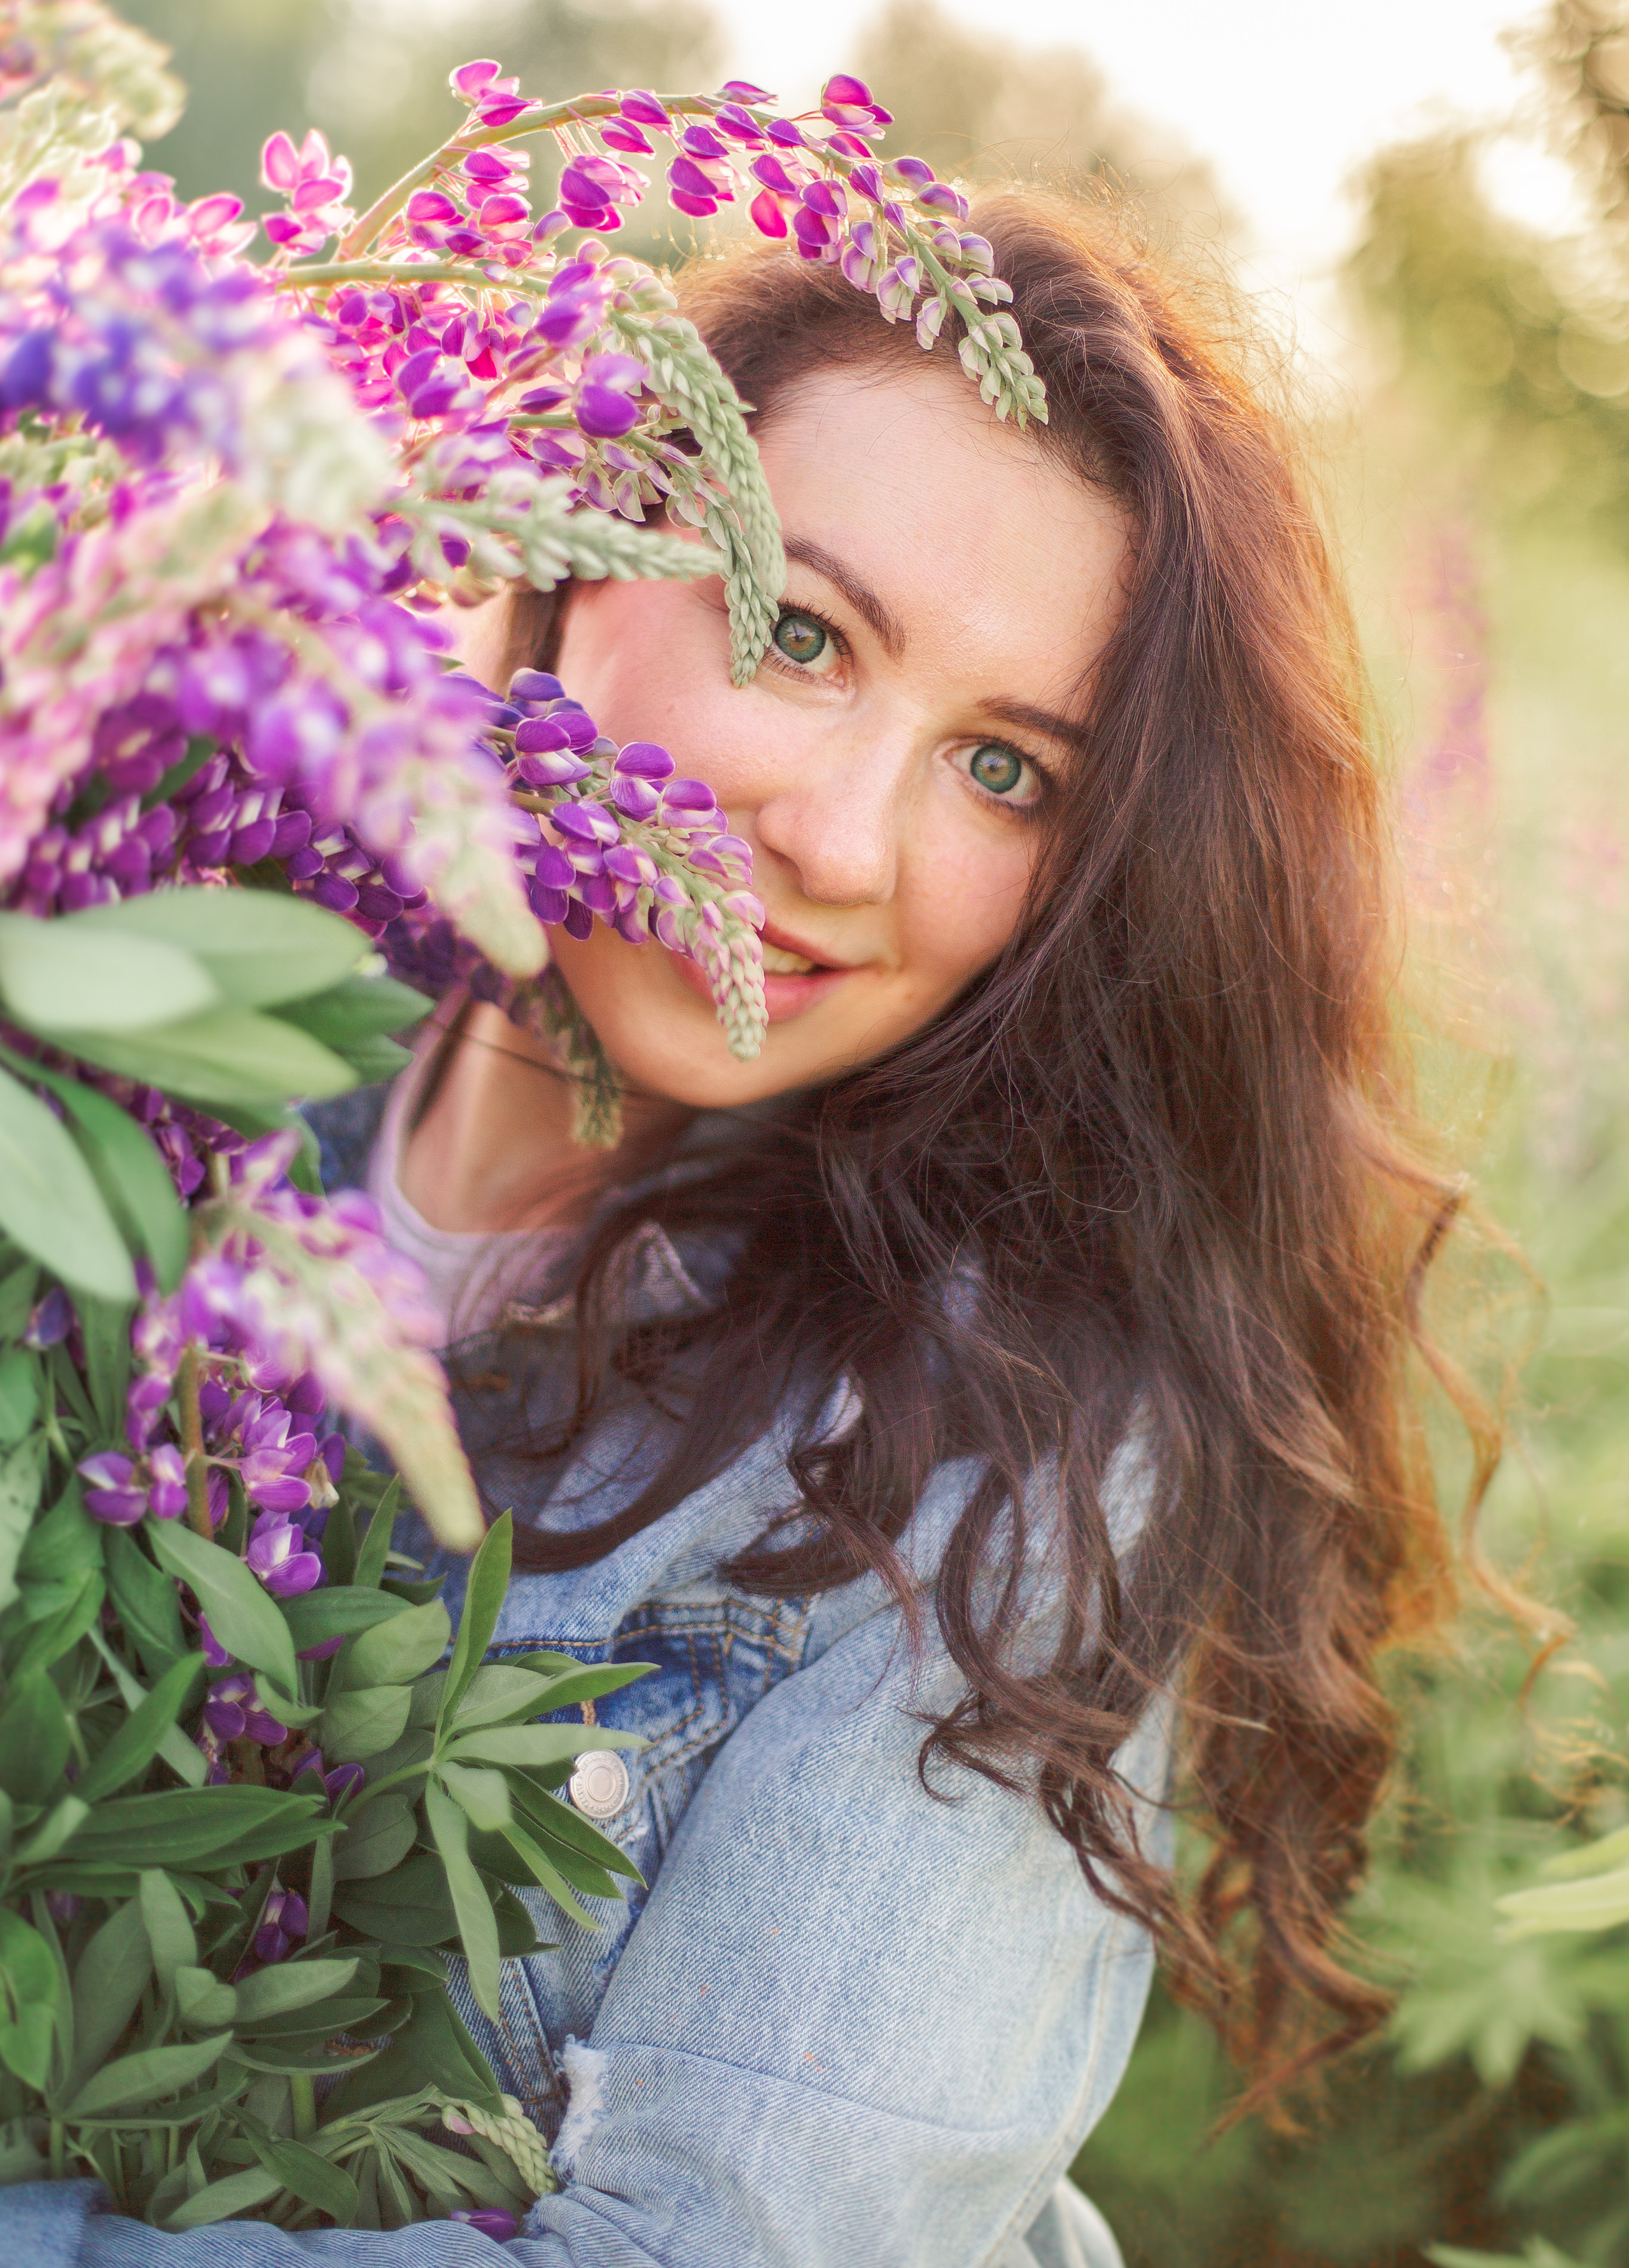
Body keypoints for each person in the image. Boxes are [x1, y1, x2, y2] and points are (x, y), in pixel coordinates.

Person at [9, 190, 1468, 2267]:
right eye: (801, 633)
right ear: (573, 538)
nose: (844, 838)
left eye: (1004, 771)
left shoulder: (1007, 1436)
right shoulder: (155, 992)